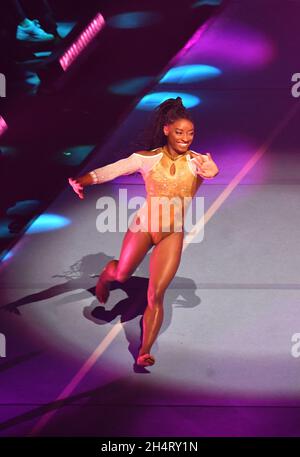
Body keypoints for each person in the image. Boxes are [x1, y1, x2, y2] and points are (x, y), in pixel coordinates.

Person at [68, 97, 219, 367]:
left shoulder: (196, 162)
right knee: (122, 274)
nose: (186, 138)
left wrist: (213, 172)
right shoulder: (146, 159)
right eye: (180, 132)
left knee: (155, 296)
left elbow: (211, 171)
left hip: (171, 234)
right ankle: (106, 274)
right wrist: (82, 180)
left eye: (191, 133)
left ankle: (144, 350)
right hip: (144, 227)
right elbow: (111, 170)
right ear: (166, 130)